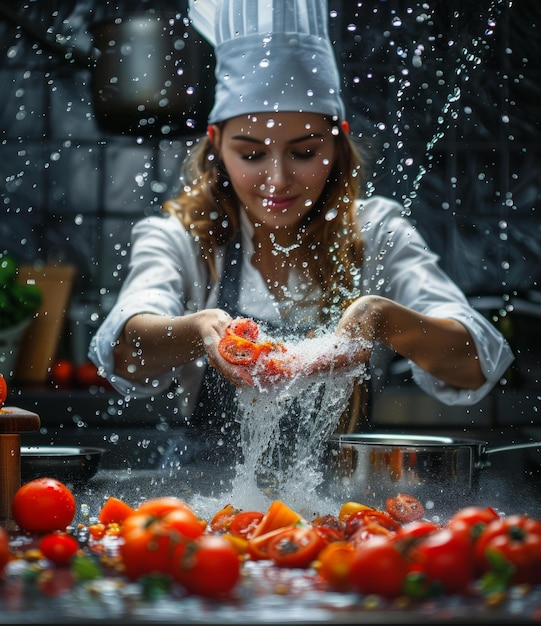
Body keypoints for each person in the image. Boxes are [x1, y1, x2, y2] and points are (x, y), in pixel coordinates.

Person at [88, 0, 514, 469]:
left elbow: (475, 362)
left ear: (338, 141)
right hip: (210, 509)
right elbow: (125, 350)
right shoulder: (182, 240)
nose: (278, 180)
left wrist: (378, 320)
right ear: (216, 145)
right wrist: (202, 331)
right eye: (251, 155)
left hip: (345, 513)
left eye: (304, 152)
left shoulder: (378, 233)